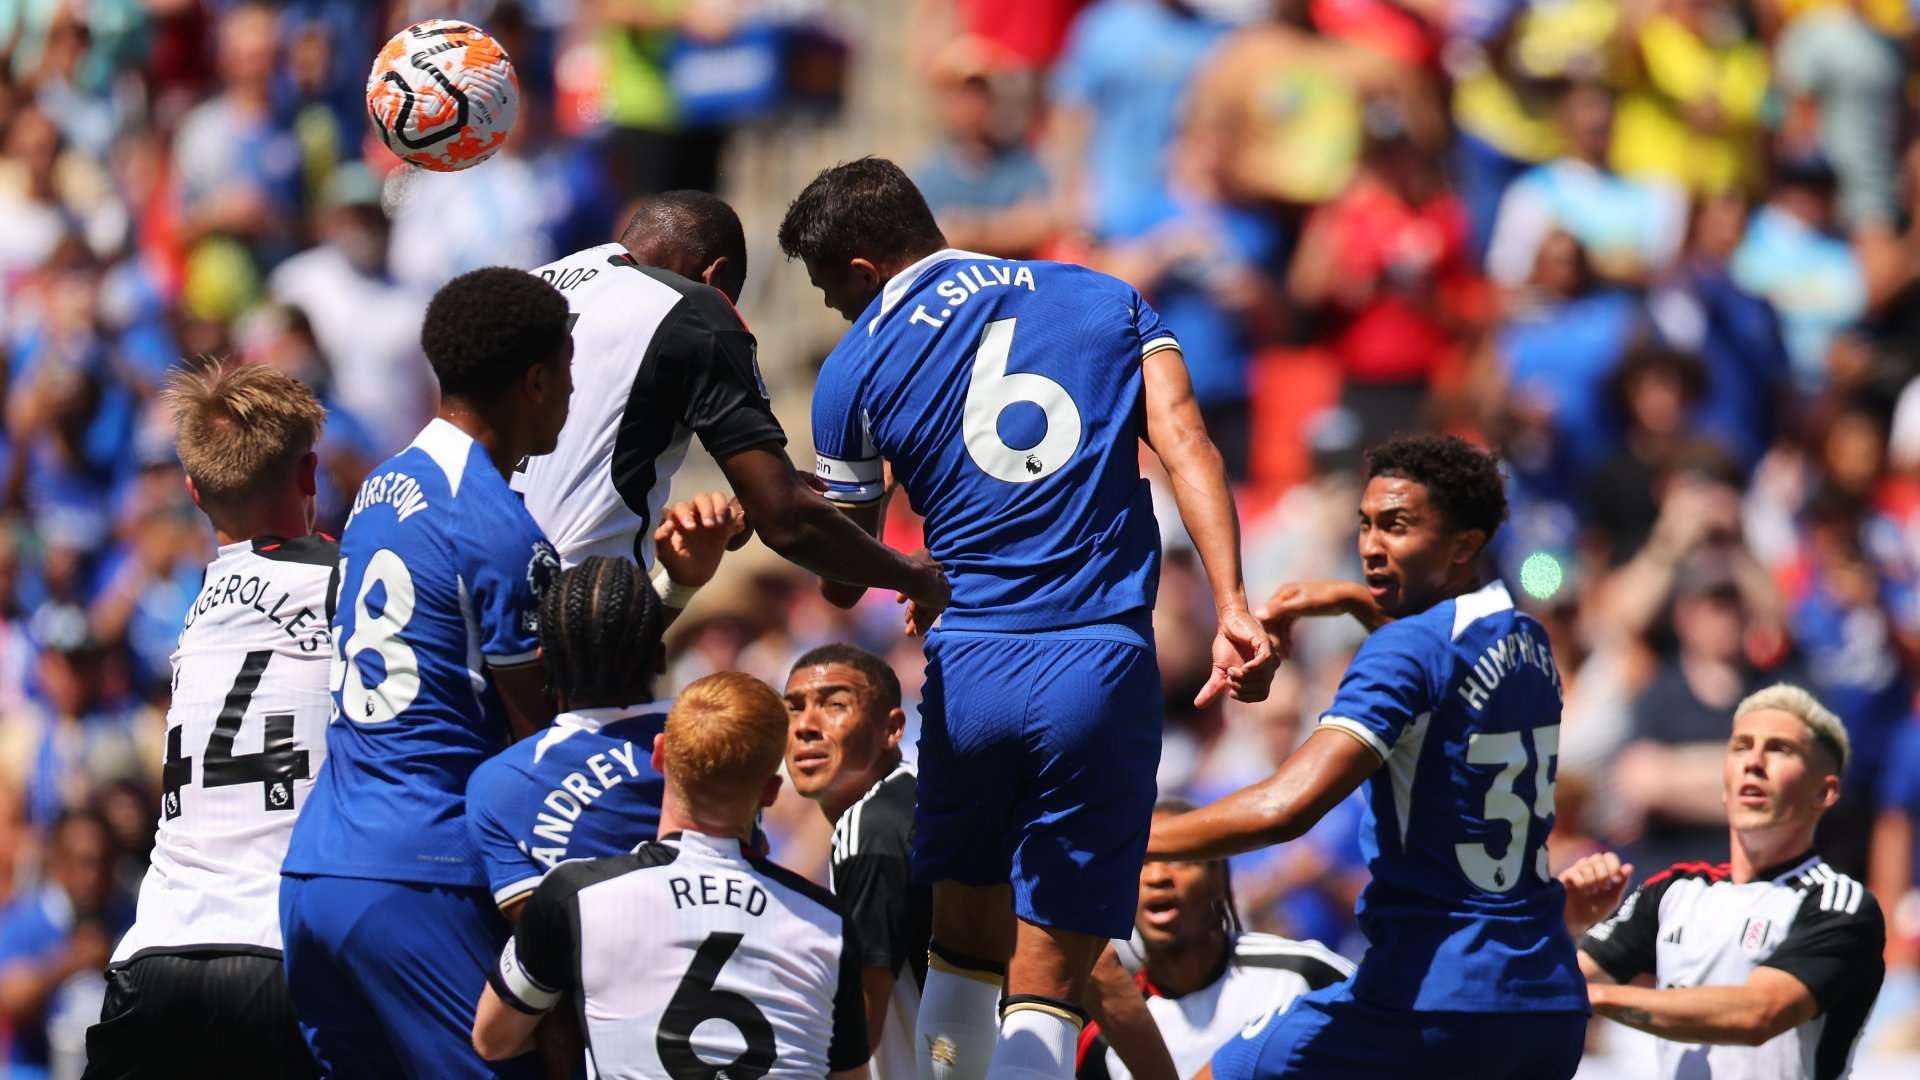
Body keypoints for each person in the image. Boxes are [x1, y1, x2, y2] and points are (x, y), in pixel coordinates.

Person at [778, 156, 1274, 1080]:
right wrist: (1233, 604)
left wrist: (887, 565)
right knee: (1050, 973)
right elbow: (1186, 444)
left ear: (860, 272)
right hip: (1098, 660)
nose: (837, 315)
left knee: (961, 949)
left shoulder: (852, 369)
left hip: (969, 672)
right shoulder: (1104, 296)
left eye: (830, 294)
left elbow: (842, 573)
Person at [1149, 434, 1589, 1079]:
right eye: (1365, 524)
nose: (1371, 547)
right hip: (1544, 1004)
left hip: (1430, 999)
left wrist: (1134, 841)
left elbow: (1285, 808)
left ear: (1466, 543)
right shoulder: (1527, 639)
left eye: (1398, 526)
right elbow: (1444, 667)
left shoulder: (1404, 653)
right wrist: (1354, 601)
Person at [279, 267, 575, 1078]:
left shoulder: (380, 485)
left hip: (317, 872)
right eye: (570, 372)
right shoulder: (501, 528)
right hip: (420, 873)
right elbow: (542, 735)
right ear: (538, 381)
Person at [513, 191, 949, 629]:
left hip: (460, 604)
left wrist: (683, 577)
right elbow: (787, 518)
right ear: (714, 275)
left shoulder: (524, 286)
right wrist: (916, 577)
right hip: (562, 626)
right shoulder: (693, 307)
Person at [83, 362, 332, 1077]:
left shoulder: (199, 609)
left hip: (155, 954)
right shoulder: (349, 587)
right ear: (309, 474)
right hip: (280, 949)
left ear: (194, 491)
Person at [471, 672, 871, 1078]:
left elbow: (493, 1039)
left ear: (659, 755)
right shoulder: (828, 924)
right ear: (769, 791)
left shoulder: (572, 896)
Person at [1567, 685, 1886, 1080]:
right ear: (1724, 784)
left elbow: (1758, 1014)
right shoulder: (1673, 892)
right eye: (1741, 747)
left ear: (1824, 792)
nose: (1754, 762)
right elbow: (1554, 981)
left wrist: (1592, 997)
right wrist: (1568, 924)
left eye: (1779, 749)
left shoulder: (1840, 905)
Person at [466, 543, 734, 916]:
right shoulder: (720, 739)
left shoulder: (500, 785)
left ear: (544, 663)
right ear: (659, 657)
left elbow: (536, 943)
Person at [1077, 800, 1354, 1080]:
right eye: (1140, 863)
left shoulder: (1303, 974)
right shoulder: (1102, 1040)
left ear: (1218, 878)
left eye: (1181, 859)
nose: (1158, 876)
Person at [784, 643, 929, 1079]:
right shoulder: (916, 801)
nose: (806, 726)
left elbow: (858, 1031)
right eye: (792, 708)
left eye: (835, 705)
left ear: (893, 728)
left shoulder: (870, 829)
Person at [0, 812, 132, 1080]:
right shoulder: (25, 921)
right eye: (84, 863)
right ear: (57, 862)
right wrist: (70, 963)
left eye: (103, 863)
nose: (93, 877)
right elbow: (9, 998)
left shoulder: (126, 921)